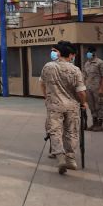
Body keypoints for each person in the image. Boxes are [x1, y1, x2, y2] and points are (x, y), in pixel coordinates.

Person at [40, 42, 88, 174]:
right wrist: (84, 103)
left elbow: (42, 83)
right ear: (71, 55)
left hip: (54, 105)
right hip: (72, 106)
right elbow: (81, 92)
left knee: (55, 131)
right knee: (71, 132)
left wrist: (47, 97)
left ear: (59, 53)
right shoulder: (75, 70)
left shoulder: (48, 67)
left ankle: (60, 157)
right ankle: (71, 159)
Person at [83, 46, 103, 132]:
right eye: (87, 52)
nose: (88, 53)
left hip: (97, 88)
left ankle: (100, 125)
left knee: (99, 106)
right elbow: (85, 76)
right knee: (91, 106)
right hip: (88, 88)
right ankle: (94, 123)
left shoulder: (100, 63)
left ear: (94, 53)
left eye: (90, 52)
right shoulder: (86, 63)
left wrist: (101, 88)